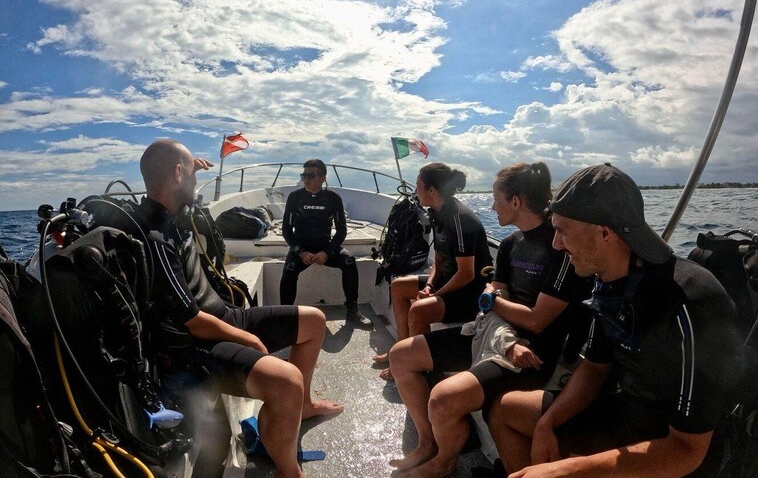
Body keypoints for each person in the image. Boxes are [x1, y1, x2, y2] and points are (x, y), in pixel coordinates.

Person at [489, 163, 739, 478]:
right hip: (626, 414)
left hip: (676, 448)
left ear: (604, 232)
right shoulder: (608, 279)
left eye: (563, 230)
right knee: (506, 409)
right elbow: (594, 368)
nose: (556, 244)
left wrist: (570, 469)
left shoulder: (691, 303)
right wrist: (547, 423)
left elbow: (688, 451)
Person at [137, 140, 343, 478]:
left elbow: (178, 186)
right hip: (198, 344)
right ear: (177, 174)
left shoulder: (174, 215)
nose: (195, 181)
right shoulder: (156, 236)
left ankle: (303, 406)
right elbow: (192, 321)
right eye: (189, 173)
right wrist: (248, 340)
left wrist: (191, 166)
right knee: (285, 380)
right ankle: (288, 471)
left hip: (225, 316)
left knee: (314, 321)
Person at [388, 162, 591, 476]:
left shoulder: (559, 247)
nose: (492, 206)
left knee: (442, 399)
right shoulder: (510, 245)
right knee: (401, 356)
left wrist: (494, 301)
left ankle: (445, 462)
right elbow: (492, 294)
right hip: (497, 335)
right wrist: (494, 301)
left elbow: (537, 321)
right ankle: (427, 441)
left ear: (515, 202)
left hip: (529, 353)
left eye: (497, 199)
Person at [373, 162, 493, 380]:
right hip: (447, 283)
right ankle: (400, 349)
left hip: (468, 294)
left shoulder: (459, 218)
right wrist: (429, 285)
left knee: (419, 310)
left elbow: (467, 274)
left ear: (431, 190)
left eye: (418, 185)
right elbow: (438, 259)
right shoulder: (437, 215)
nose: (415, 190)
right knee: (399, 286)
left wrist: (435, 295)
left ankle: (419, 367)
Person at [279, 159, 372, 328]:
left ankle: (352, 311)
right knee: (289, 270)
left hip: (324, 247)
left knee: (349, 261)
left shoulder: (333, 199)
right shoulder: (295, 198)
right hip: (301, 249)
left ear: (322, 178)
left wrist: (327, 252)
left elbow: (341, 230)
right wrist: (300, 252)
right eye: (303, 175)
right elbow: (286, 230)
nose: (306, 179)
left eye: (310, 175)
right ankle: (285, 315)